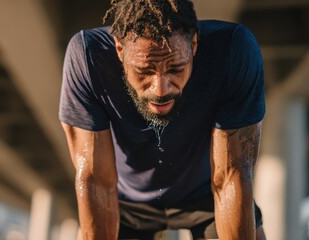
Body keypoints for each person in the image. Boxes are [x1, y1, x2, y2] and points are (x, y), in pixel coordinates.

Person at [59, 0, 266, 239]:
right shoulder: (87, 57)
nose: (160, 89)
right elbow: (96, 181)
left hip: (206, 195)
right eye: (144, 71)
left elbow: (232, 175)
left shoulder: (233, 50)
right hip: (123, 200)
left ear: (194, 45)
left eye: (176, 68)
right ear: (119, 49)